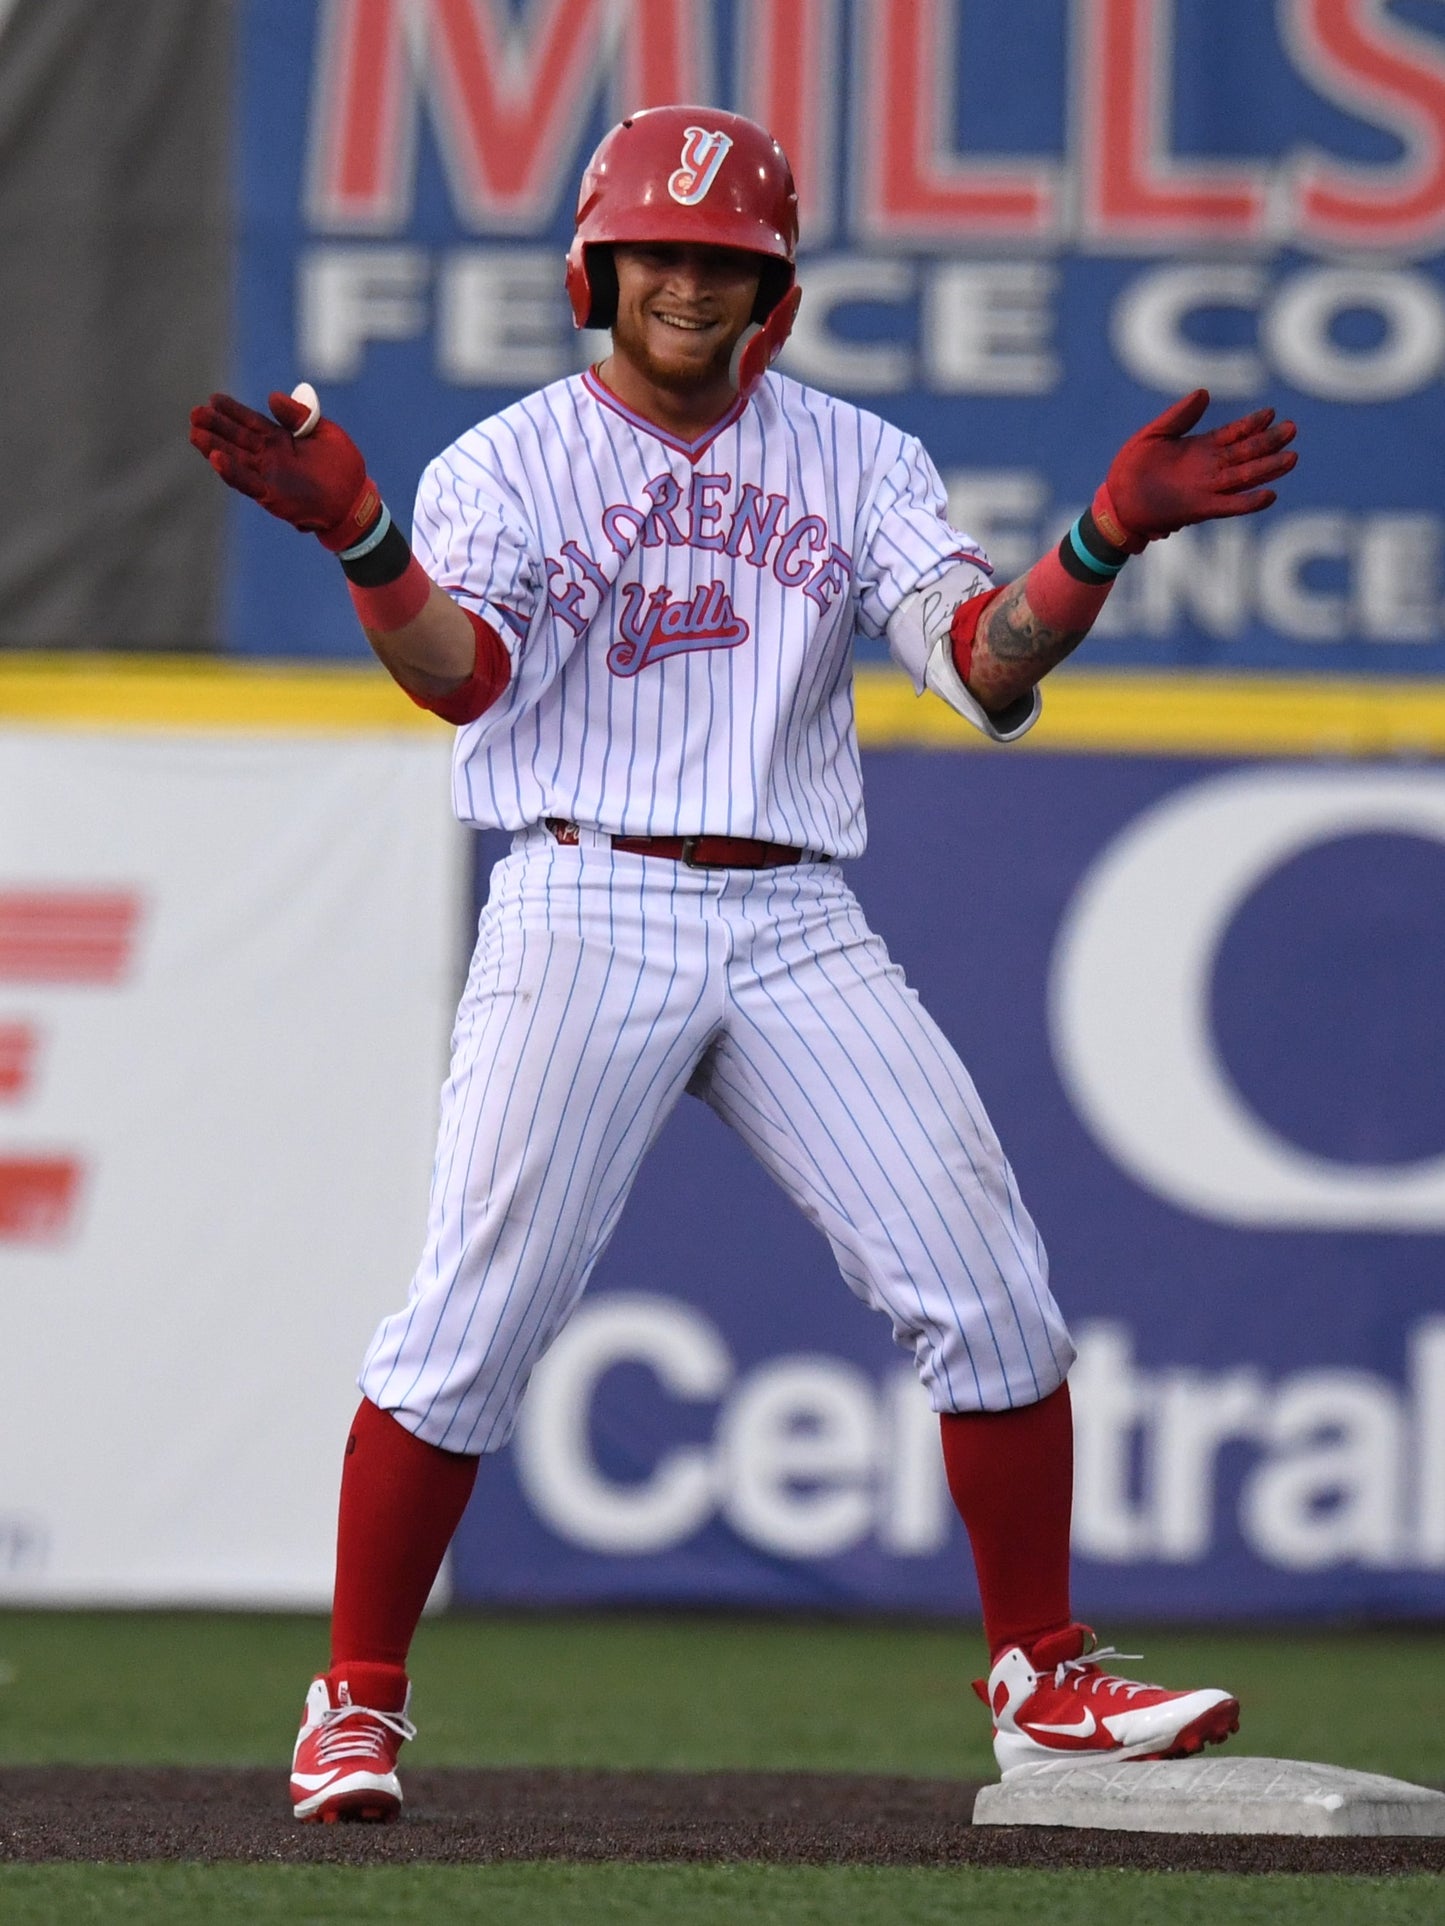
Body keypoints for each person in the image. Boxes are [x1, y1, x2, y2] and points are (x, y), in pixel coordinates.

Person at [190, 104, 1297, 1824]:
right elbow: (460, 680)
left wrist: (1096, 541)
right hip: (582, 894)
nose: (687, 284)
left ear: (773, 287)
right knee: (473, 1318)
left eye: (723, 260)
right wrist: (361, 542)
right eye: (658, 253)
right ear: (595, 267)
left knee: (987, 1279)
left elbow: (982, 669)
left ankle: (1045, 1677)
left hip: (794, 914)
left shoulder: (854, 457)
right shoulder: (504, 463)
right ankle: (353, 1698)